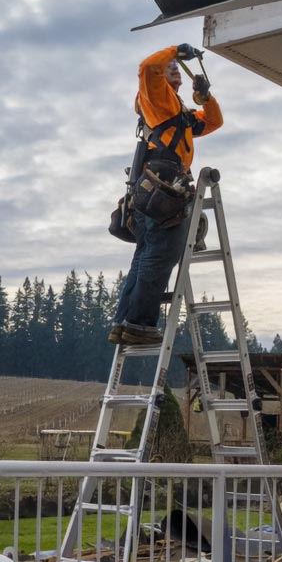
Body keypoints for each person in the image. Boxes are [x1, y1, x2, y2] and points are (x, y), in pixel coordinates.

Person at [109, 43, 223, 346]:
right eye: (170, 65)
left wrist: (205, 97)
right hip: (161, 189)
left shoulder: (176, 111)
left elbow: (214, 121)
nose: (174, 67)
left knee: (146, 257)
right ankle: (138, 325)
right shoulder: (157, 100)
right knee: (161, 255)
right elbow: (148, 68)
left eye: (176, 67)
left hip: (156, 190)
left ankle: (124, 321)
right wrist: (174, 51)